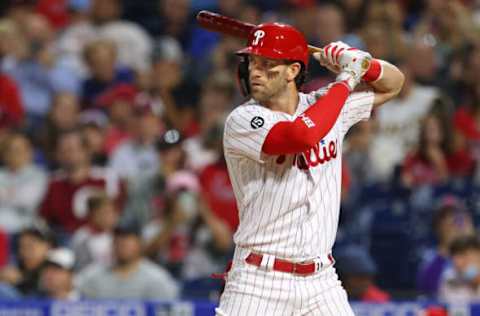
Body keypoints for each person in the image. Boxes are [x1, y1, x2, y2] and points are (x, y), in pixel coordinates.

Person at [216, 23, 404, 315]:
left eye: (268, 65)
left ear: (292, 71)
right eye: (253, 62)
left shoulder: (326, 104)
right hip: (258, 280)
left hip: (321, 280)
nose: (255, 71)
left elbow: (395, 82)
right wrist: (347, 78)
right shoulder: (243, 119)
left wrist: (360, 62)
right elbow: (299, 136)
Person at [77, 225, 179, 300]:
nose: (122, 243)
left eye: (128, 238)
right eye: (118, 239)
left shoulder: (157, 279)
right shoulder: (92, 277)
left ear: (140, 243)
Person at [438, 236, 480, 303]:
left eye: (464, 255)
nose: (457, 261)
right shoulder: (449, 277)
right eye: (455, 256)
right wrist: (472, 279)